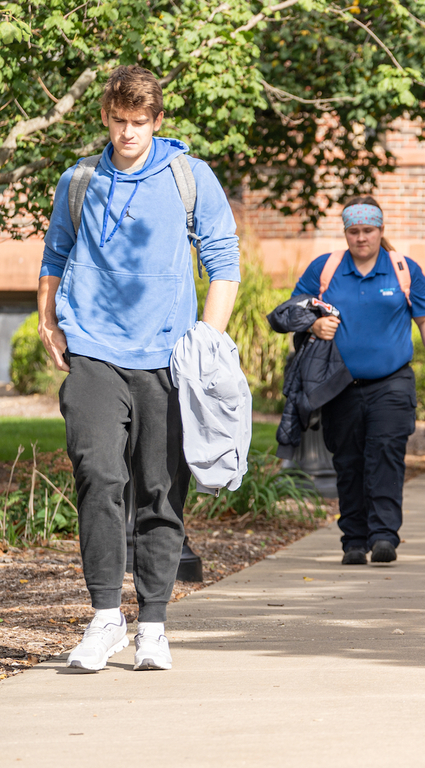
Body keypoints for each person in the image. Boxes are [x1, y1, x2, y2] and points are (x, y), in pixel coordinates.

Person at [38, 66, 241, 671]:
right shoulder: (79, 180)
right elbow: (55, 253)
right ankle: (105, 619)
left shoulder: (188, 176)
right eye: (118, 121)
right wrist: (49, 321)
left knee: (159, 489)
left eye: (138, 123)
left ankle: (152, 622)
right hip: (94, 351)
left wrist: (208, 340)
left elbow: (223, 260)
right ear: (106, 117)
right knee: (98, 474)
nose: (127, 133)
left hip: (167, 357)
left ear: (157, 121)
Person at [291, 196, 425, 566]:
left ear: (381, 231)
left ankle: (383, 536)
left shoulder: (403, 270)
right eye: (354, 231)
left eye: (369, 230)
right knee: (348, 462)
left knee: (385, 456)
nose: (361, 238)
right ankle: (353, 539)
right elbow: (293, 310)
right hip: (338, 387)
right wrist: (314, 323)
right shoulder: (325, 269)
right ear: (345, 232)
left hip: (392, 383)